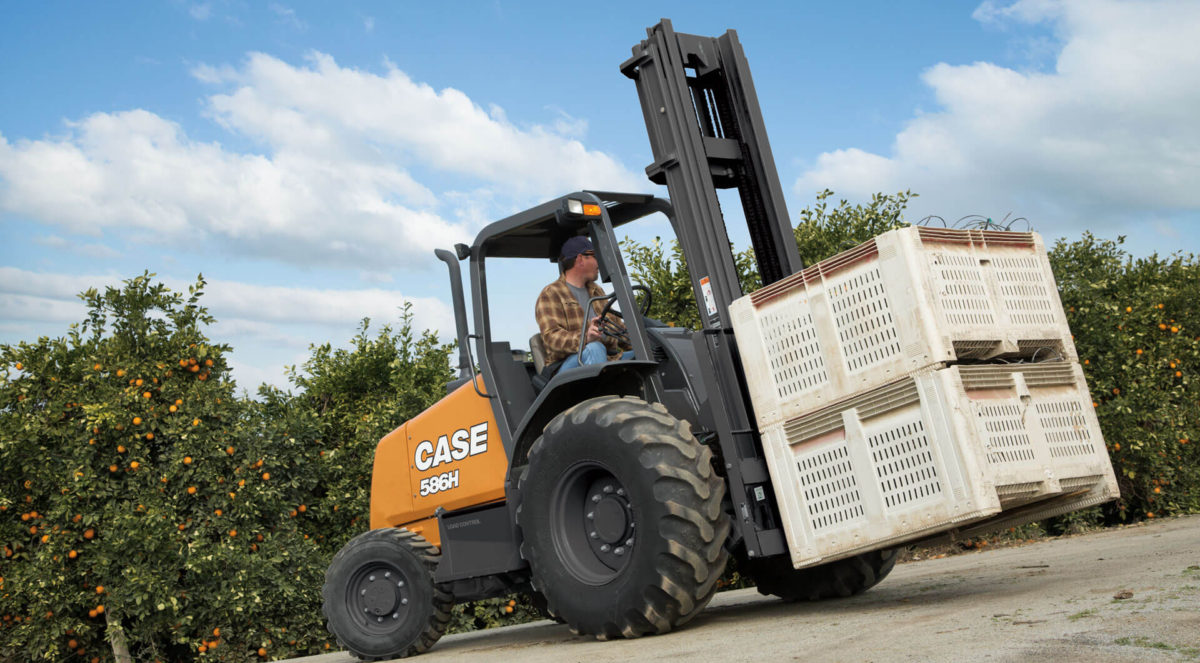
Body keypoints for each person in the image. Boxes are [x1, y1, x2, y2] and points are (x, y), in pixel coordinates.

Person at [535, 236, 633, 376]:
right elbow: (552, 338)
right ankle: (601, 396)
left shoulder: (597, 291)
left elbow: (617, 328)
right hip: (568, 364)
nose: (599, 262)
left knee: (650, 353)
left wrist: (643, 340)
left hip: (608, 358)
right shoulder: (551, 294)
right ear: (580, 259)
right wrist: (586, 337)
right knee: (594, 348)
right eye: (594, 256)